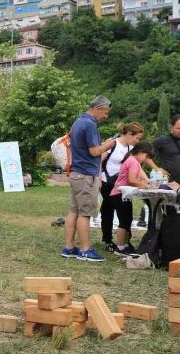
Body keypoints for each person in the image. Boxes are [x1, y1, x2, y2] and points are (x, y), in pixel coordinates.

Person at [62, 96, 114, 262]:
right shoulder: (90, 124)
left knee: (74, 211)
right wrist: (108, 144)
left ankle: (69, 247)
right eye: (105, 113)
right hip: (86, 175)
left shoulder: (78, 121)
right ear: (98, 108)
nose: (106, 116)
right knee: (85, 214)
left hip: (77, 173)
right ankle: (85, 250)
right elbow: (93, 151)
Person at [99, 122, 155, 251]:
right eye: (137, 138)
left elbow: (137, 167)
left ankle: (125, 242)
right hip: (108, 181)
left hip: (124, 185)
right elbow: (99, 160)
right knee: (108, 211)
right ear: (129, 134)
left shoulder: (131, 149)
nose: (138, 141)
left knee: (125, 214)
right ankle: (108, 240)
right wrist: (98, 179)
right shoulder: (112, 144)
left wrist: (147, 180)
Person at [108, 141, 154, 256]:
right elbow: (132, 180)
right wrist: (145, 186)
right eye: (146, 156)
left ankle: (125, 245)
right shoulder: (133, 162)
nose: (145, 159)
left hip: (123, 194)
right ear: (140, 152)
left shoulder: (133, 161)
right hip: (120, 194)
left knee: (127, 220)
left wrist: (146, 182)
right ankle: (120, 247)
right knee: (124, 221)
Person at [152, 115, 180, 184]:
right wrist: (156, 168)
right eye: (179, 128)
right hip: (169, 182)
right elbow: (143, 153)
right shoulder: (162, 140)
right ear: (172, 127)